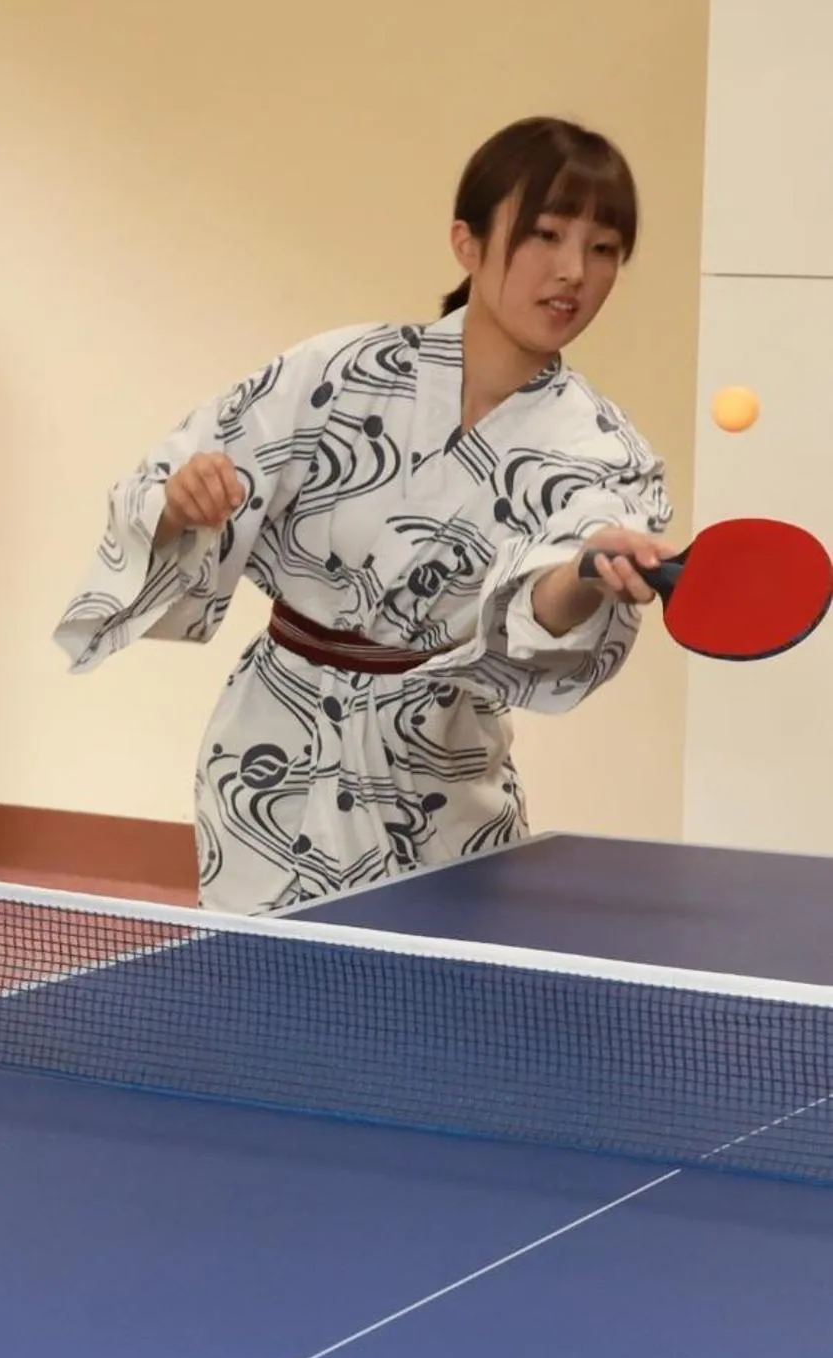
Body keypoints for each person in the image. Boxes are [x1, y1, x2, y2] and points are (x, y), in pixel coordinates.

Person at [53, 116, 679, 915]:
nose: (572, 273)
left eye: (603, 249)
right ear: (468, 243)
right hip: (270, 764)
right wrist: (183, 502)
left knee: (450, 1017)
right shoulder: (341, 371)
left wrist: (588, 574)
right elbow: (169, 483)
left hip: (441, 779)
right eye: (547, 235)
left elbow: (542, 600)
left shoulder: (604, 452)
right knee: (259, 1008)